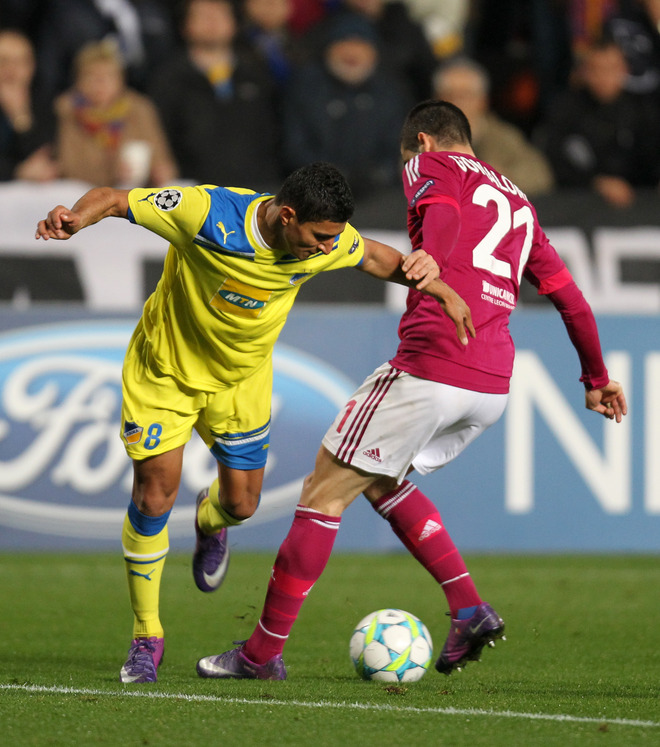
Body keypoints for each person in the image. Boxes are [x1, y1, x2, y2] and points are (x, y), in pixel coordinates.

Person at [195, 100, 627, 681]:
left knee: (323, 491)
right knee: (379, 478)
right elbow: (569, 297)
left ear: (421, 142)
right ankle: (469, 608)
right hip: (492, 383)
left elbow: (441, 211)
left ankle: (260, 655)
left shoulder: (431, 165)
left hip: (434, 362)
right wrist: (596, 379)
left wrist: (433, 261)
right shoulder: (520, 204)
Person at [35, 160, 474, 684]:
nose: (324, 248)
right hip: (165, 373)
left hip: (240, 384)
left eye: (332, 239)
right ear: (287, 216)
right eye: (317, 237)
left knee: (241, 504)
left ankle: (209, 521)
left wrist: (439, 288)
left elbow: (379, 258)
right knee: (154, 494)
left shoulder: (326, 242)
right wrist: (75, 218)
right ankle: (147, 635)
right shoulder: (206, 214)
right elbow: (112, 197)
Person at [149, 0, 283, 191]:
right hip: (194, 195)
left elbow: (276, 131)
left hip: (258, 190)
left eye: (220, 15)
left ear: (234, 23)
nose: (212, 22)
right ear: (185, 25)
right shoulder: (167, 79)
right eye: (202, 15)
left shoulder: (257, 71)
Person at [282, 13, 412, 198]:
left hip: (380, 200)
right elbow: (295, 147)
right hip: (315, 198)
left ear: (374, 52)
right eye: (344, 42)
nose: (352, 52)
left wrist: (377, 175)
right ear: (329, 49)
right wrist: (333, 178)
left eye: (361, 44)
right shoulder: (304, 89)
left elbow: (399, 148)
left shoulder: (391, 92)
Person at [538, 38, 660, 208]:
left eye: (611, 69)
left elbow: (652, 158)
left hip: (640, 207)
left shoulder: (643, 111)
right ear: (584, 72)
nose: (604, 77)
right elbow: (552, 158)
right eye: (596, 70)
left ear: (625, 70)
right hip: (578, 206)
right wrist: (596, 182)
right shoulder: (566, 110)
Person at [54, 40, 178, 187]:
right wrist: (113, 173)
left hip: (138, 191)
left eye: (108, 76)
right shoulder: (66, 109)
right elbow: (66, 167)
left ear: (121, 79)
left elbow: (162, 158)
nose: (100, 83)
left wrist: (160, 172)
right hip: (84, 193)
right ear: (78, 80)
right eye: (91, 76)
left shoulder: (139, 108)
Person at [433, 57, 555, 197]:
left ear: (482, 101)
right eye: (450, 95)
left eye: (466, 95)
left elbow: (540, 175)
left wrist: (502, 177)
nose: (457, 103)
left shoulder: (503, 137)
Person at [0, 29, 57, 182]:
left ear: (31, 67)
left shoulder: (44, 103)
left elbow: (45, 156)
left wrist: (19, 115)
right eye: (3, 61)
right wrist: (16, 172)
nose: (11, 71)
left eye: (19, 62)